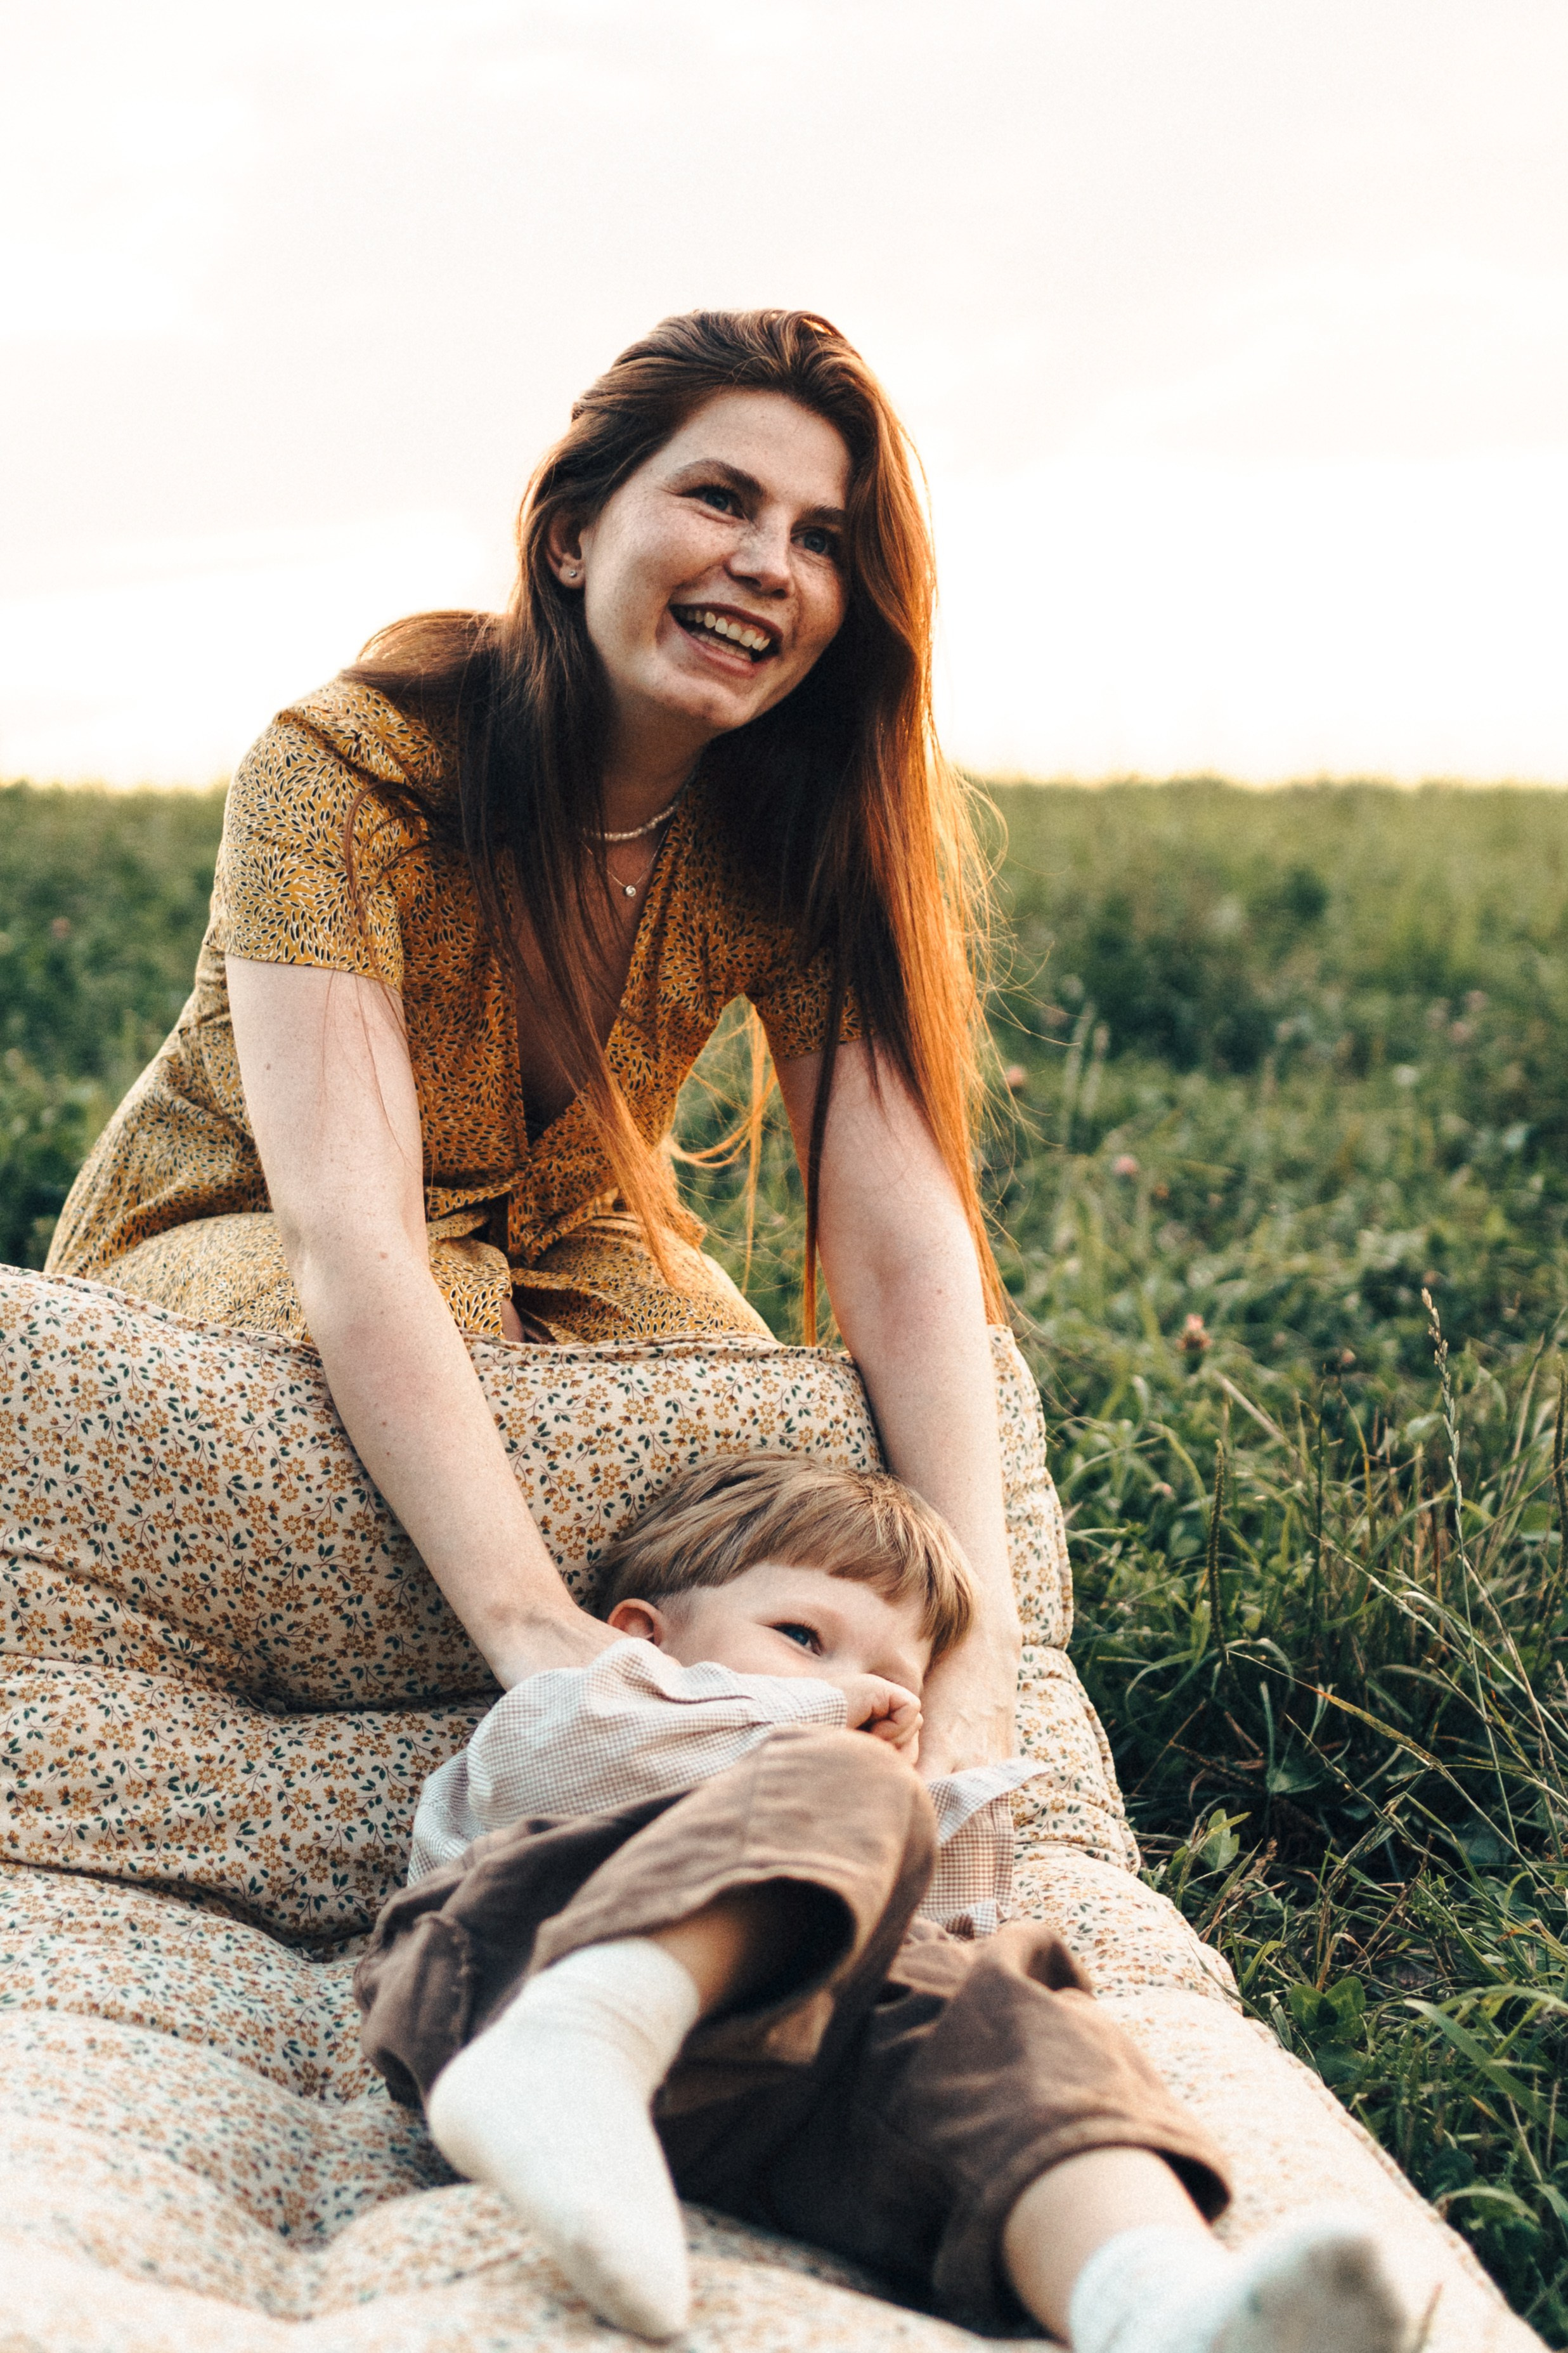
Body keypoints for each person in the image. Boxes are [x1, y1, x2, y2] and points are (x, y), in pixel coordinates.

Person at [45, 308, 1018, 1779]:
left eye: (822, 538)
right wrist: (537, 1632)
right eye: (720, 497)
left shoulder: (785, 824)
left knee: (771, 1456)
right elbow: (349, 1237)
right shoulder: (350, 765)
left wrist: (980, 1652)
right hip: (253, 1222)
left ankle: (735, 1765)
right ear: (571, 535)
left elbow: (897, 1236)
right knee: (455, 1335)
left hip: (560, 1238)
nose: (770, 560)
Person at [355, 1455, 1420, 2352]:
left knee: (1010, 2015)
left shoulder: (866, 1778)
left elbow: (940, 1918)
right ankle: (579, 2040)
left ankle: (1155, 2303)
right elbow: (548, 1775)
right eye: (803, 1636)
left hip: (753, 2084)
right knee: (849, 1788)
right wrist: (814, 1730)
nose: (858, 1689)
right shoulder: (596, 1700)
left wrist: (928, 1804)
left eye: (892, 1676)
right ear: (646, 1633)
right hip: (510, 1973)